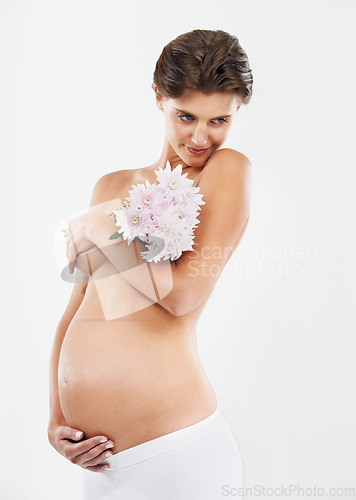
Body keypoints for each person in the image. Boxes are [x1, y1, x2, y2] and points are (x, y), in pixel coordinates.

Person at [48, 28, 253, 499]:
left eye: (219, 120)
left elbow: (183, 295)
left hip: (176, 455)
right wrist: (57, 419)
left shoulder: (226, 171)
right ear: (159, 97)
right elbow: (74, 311)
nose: (201, 138)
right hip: (99, 464)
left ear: (237, 111)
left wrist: (105, 231)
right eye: (186, 116)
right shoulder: (109, 186)